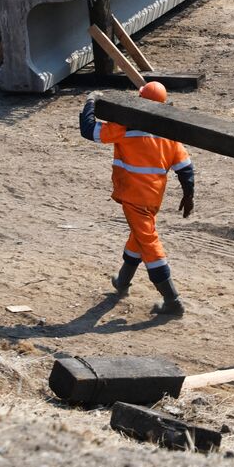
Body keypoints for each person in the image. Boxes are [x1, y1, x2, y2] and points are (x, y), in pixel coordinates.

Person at [79, 81, 193, 317]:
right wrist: (188, 194)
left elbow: (88, 130)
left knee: (149, 243)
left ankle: (172, 300)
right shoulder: (168, 133)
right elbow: (185, 167)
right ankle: (122, 282)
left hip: (133, 196)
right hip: (153, 197)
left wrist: (90, 101)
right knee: (139, 237)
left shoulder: (125, 127)